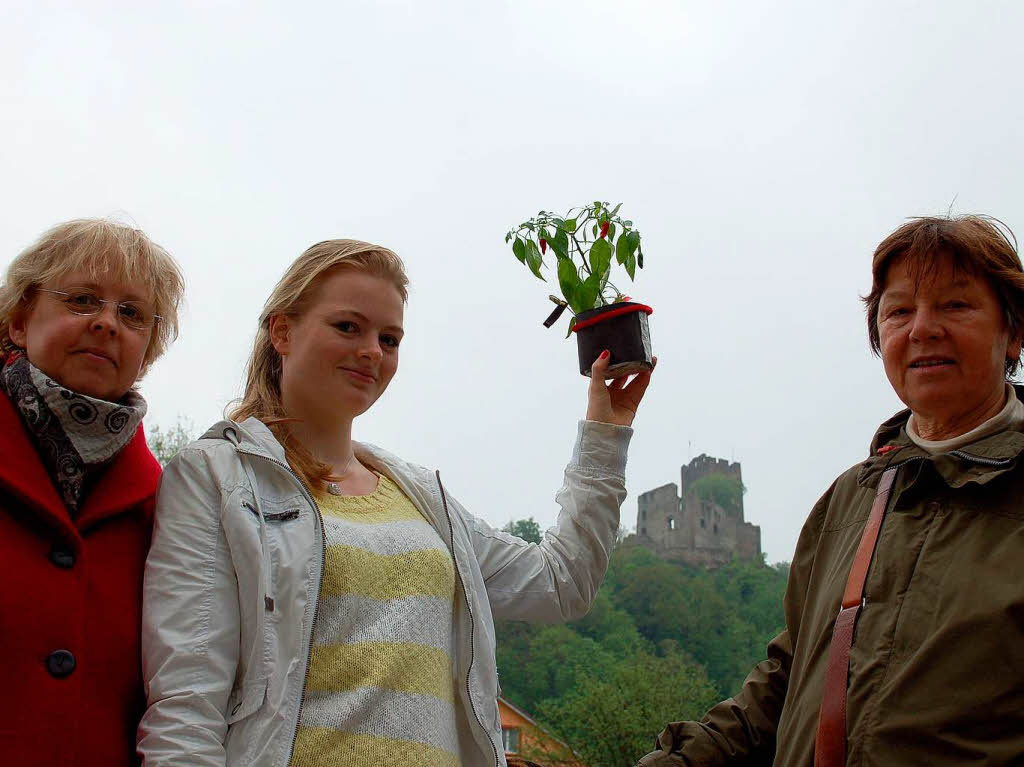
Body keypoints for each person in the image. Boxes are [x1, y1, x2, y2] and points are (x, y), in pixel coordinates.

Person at [137, 239, 655, 767]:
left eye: (390, 338)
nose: (372, 351)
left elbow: (561, 584)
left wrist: (605, 434)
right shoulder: (217, 475)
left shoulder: (421, 498)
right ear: (282, 331)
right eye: (348, 327)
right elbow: (186, 707)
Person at [638, 214, 1024, 766]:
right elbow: (788, 678)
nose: (922, 329)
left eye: (955, 305)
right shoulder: (852, 499)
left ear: (1013, 331)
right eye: (898, 311)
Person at [0, 218, 185, 766]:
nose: (106, 323)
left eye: (131, 314)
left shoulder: (171, 507)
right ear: (18, 320)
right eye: (82, 300)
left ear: (146, 351)